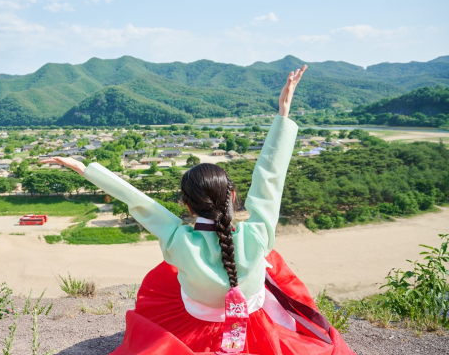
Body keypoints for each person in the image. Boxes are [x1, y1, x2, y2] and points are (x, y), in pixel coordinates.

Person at [42, 65, 355, 354]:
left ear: (187, 203)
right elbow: (269, 179)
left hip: (196, 321)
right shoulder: (257, 234)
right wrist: (282, 116)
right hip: (255, 317)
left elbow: (140, 201)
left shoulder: (180, 242)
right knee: (270, 259)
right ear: (233, 195)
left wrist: (85, 169)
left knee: (168, 274)